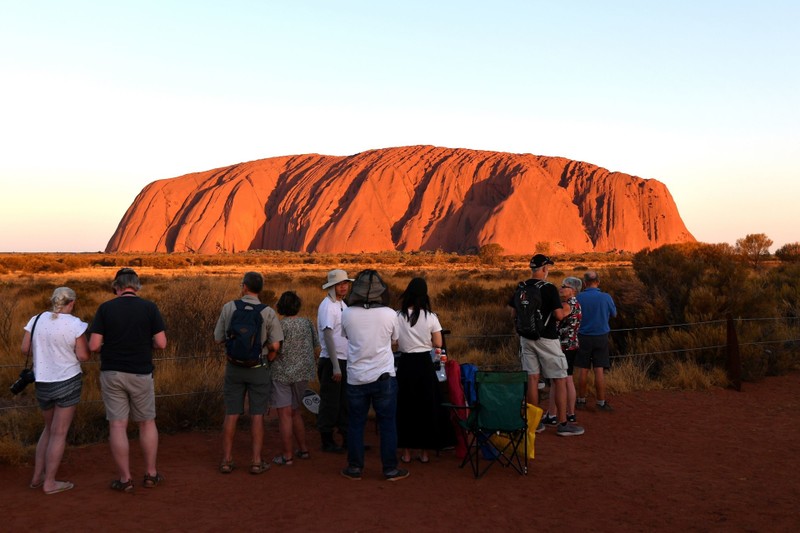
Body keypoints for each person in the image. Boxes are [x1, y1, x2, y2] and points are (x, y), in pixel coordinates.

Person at [88, 268, 167, 492]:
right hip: (141, 373)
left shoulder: (105, 308)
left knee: (117, 425)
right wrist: (144, 343)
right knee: (147, 422)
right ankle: (151, 474)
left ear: (117, 287)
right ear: (136, 286)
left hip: (112, 372)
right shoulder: (149, 307)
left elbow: (94, 346)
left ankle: (125, 479)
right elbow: (161, 343)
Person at [340, 269, 408, 481]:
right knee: (387, 423)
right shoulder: (389, 313)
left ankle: (354, 468)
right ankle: (389, 469)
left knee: (356, 423)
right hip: (384, 376)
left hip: (355, 377)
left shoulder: (347, 313)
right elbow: (395, 340)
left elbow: (347, 336)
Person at [213, 271, 283, 475]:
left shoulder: (229, 307)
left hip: (234, 368)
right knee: (257, 415)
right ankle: (256, 461)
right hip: (258, 368)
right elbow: (276, 345)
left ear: (244, 286)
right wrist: (267, 359)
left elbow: (218, 338)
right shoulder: (267, 312)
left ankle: (226, 461)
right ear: (260, 289)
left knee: (231, 414)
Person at [23, 287, 90, 494]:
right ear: (71, 303)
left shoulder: (36, 319)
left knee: (48, 429)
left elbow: (25, 349)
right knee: (59, 433)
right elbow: (83, 356)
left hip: (42, 381)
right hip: (67, 381)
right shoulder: (75, 324)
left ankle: (37, 477)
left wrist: (45, 352)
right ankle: (50, 482)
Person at [509, 255, 584, 437]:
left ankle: (534, 424)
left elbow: (513, 312)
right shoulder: (549, 288)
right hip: (547, 339)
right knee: (559, 379)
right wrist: (567, 311)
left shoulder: (522, 287)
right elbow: (558, 316)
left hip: (526, 339)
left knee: (533, 380)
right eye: (547, 268)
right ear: (544, 269)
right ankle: (563, 423)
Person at [396, 277, 447, 464]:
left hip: (406, 364)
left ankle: (407, 453)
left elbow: (394, 342)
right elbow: (438, 343)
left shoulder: (398, 316)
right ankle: (425, 453)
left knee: (405, 406)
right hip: (424, 364)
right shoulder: (431, 317)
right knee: (426, 406)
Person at [271, 291, 319, 465]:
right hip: (303, 373)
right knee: (296, 411)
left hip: (282, 373)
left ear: (281, 307)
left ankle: (287, 456)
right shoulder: (307, 323)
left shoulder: (279, 325)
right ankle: (303, 450)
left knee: (284, 415)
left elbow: (274, 349)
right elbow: (316, 347)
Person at [316, 269, 353, 453]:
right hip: (332, 361)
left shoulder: (342, 305)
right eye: (340, 284)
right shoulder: (327, 306)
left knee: (344, 402)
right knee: (330, 402)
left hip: (344, 360)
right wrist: (336, 367)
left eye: (346, 283)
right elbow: (328, 335)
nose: (344, 286)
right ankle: (327, 440)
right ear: (332, 286)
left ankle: (347, 438)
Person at [575, 270, 617, 411]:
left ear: (585, 283)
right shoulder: (606, 297)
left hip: (583, 337)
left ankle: (581, 401)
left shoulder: (579, 297)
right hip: (601, 337)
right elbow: (614, 314)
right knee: (599, 370)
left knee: (583, 369)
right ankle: (601, 403)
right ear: (598, 282)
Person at [543, 277, 582, 426]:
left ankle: (552, 414)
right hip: (572, 345)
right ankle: (570, 414)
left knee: (556, 381)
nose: (560, 288)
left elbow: (557, 317)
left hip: (562, 346)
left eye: (564, 286)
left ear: (572, 290)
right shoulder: (577, 304)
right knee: (568, 379)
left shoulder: (566, 305)